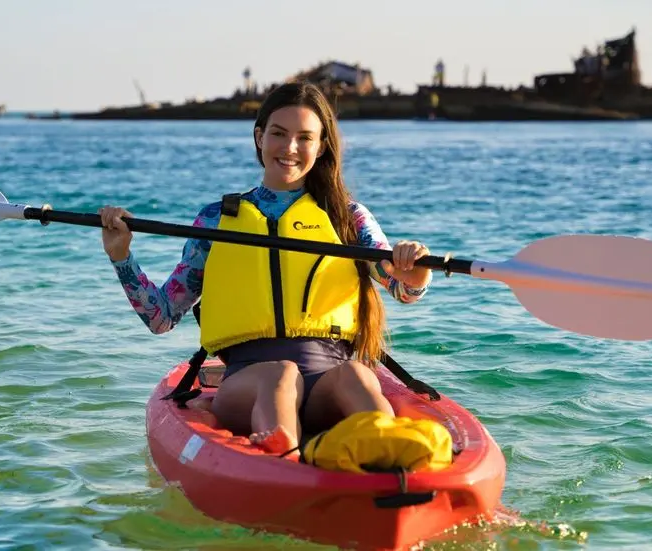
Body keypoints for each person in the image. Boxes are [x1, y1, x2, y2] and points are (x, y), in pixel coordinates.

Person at [99, 81, 432, 457]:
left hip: (327, 381)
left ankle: (389, 451)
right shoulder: (216, 220)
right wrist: (122, 257)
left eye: (304, 137)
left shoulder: (348, 218)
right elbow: (161, 316)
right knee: (281, 374)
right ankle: (283, 457)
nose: (290, 148)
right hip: (248, 383)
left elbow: (403, 289)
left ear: (321, 146)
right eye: (278, 134)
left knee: (356, 374)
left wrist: (413, 270)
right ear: (259, 137)